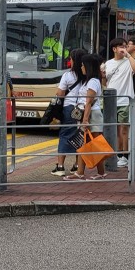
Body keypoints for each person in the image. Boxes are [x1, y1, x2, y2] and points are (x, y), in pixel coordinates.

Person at [64, 54, 106, 180]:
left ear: (88, 66)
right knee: (82, 144)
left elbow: (88, 102)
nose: (81, 67)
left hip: (92, 115)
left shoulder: (93, 81)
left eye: (83, 65)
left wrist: (85, 120)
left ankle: (101, 172)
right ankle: (80, 172)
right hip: (86, 115)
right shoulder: (88, 81)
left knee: (95, 144)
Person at [103, 38, 135, 168]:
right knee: (116, 130)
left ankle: (125, 156)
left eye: (125, 46)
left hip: (125, 100)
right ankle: (118, 155)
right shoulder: (108, 63)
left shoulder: (128, 62)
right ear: (114, 49)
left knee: (124, 129)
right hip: (112, 101)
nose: (124, 48)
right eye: (121, 46)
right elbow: (105, 82)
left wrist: (128, 55)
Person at [50, 49, 81, 178]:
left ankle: (60, 166)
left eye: (71, 59)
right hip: (81, 109)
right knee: (79, 136)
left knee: (64, 135)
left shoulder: (67, 75)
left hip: (69, 108)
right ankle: (77, 165)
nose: (70, 61)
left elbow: (60, 93)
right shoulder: (87, 76)